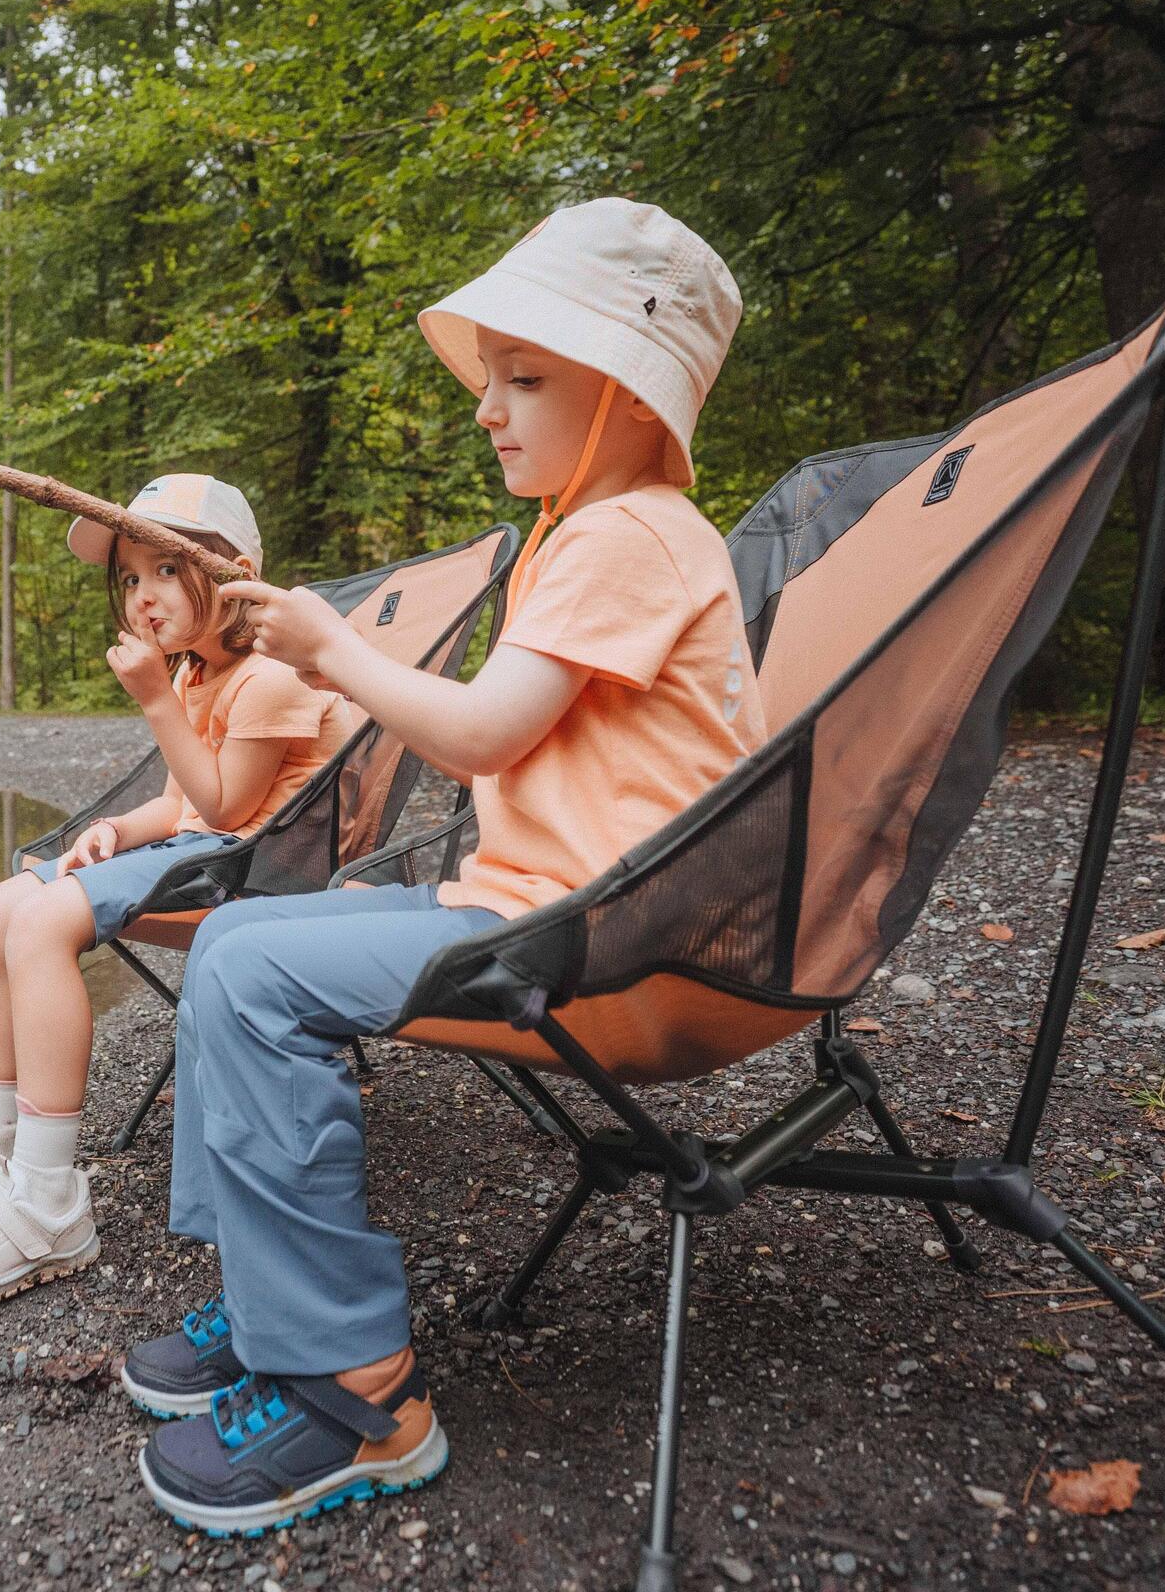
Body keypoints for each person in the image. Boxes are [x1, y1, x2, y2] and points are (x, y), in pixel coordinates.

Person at [119, 198, 768, 1537]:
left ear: (639, 400)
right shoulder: (577, 537)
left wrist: (329, 649)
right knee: (248, 941)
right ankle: (266, 1293)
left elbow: (480, 730)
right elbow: (511, 760)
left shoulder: (629, 534)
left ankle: (363, 1391)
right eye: (492, 379)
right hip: (542, 906)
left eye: (526, 378)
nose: (488, 407)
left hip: (606, 938)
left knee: (249, 977)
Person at [0, 475, 358, 1310]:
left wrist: (157, 698)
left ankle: (48, 1196)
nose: (143, 597)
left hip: (259, 875)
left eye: (166, 568)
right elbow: (178, 802)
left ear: (235, 571)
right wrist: (118, 833)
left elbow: (229, 807)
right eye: (130, 578)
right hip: (206, 854)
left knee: (44, 921)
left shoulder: (270, 677)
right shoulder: (201, 676)